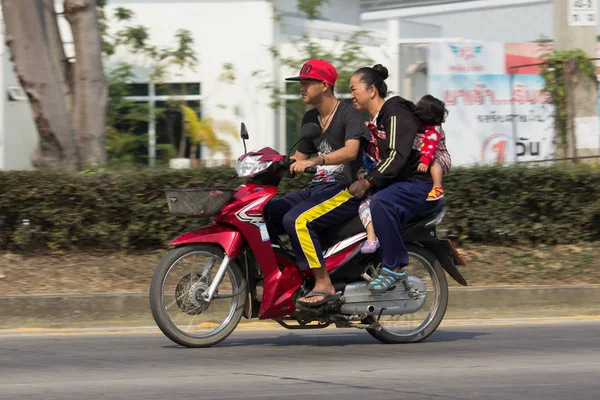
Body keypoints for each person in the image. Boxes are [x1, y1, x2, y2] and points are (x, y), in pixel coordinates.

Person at [263, 59, 370, 307]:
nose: (301, 88)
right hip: (316, 190)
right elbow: (299, 159)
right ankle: (288, 277)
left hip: (343, 189)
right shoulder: (310, 117)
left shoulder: (348, 114)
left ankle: (324, 284)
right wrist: (267, 165)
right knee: (264, 214)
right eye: (300, 83)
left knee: (298, 220)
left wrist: (316, 160)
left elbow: (351, 151)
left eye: (306, 83)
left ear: (324, 85)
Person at [348, 64, 435, 294]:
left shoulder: (395, 113)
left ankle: (394, 266)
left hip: (416, 184)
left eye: (354, 89)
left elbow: (397, 155)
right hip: (398, 183)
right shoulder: (375, 121)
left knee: (381, 203)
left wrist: (368, 181)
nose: (351, 95)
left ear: (372, 90)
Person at [358, 95, 452, 254]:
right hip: (410, 174)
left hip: (431, 162)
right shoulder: (410, 121)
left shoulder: (429, 128)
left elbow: (422, 149)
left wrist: (425, 159)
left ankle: (393, 265)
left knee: (381, 202)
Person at [414, 95, 452, 201]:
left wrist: (425, 160)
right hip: (429, 153)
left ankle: (437, 187)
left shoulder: (434, 130)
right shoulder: (420, 124)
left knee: (434, 163)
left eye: (419, 105)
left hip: (440, 156)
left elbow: (430, 145)